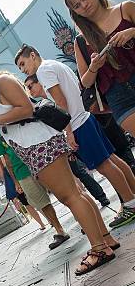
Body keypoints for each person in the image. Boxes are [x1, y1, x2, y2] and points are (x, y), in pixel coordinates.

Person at [0, 73, 119, 275]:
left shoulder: (2, 82)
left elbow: (27, 109)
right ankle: (105, 239)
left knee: (71, 197)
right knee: (75, 193)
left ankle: (100, 249)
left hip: (41, 145)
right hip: (35, 148)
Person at [16, 44, 135, 228]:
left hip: (78, 124)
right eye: (20, 68)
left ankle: (130, 203)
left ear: (33, 55)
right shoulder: (55, 65)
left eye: (23, 64)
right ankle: (132, 197)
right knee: (112, 160)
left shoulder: (44, 71)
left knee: (105, 166)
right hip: (85, 118)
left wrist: (68, 132)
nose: (23, 70)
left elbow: (60, 102)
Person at [65, 0, 135, 151]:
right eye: (77, 5)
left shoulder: (125, 8)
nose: (84, 5)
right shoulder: (81, 40)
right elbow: (85, 82)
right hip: (119, 98)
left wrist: (132, 31)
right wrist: (94, 67)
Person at [24, 74, 111, 207]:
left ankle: (103, 198)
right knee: (78, 177)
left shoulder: (51, 97)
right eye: (27, 88)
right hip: (64, 142)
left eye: (31, 86)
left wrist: (68, 138)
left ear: (40, 82)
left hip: (74, 134)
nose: (30, 90)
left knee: (97, 167)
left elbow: (64, 117)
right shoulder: (39, 104)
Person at [0, 127, 72, 247]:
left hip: (40, 160)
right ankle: (59, 230)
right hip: (21, 172)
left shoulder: (13, 116)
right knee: (41, 202)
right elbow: (6, 159)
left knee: (64, 192)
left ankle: (80, 217)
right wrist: (15, 181)